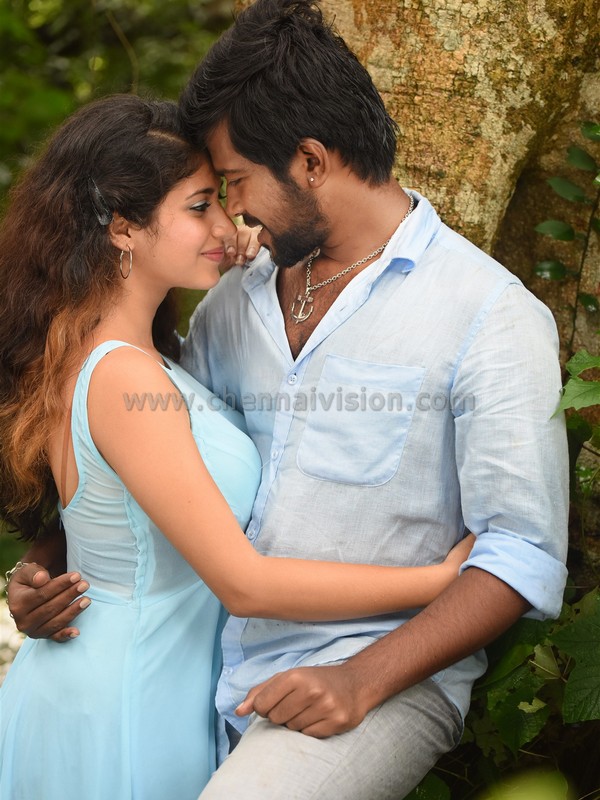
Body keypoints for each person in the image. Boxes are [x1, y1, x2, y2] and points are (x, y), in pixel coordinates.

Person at [6, 1, 569, 797]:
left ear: (308, 161)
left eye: (234, 184)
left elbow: (520, 553)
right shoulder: (235, 303)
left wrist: (363, 679)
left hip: (366, 667)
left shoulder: (488, 314)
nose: (232, 214)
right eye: (208, 198)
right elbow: (149, 471)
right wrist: (49, 561)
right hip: (194, 667)